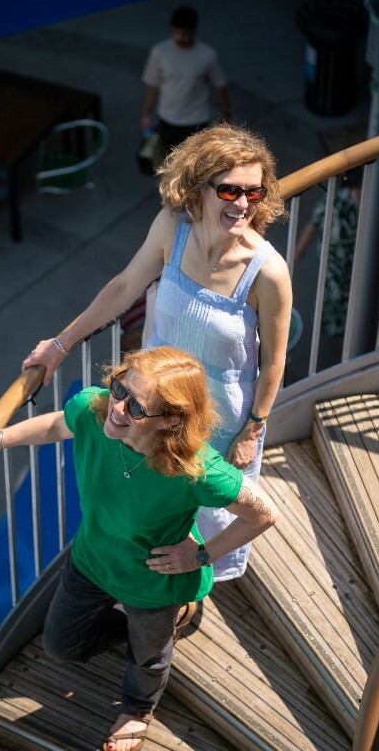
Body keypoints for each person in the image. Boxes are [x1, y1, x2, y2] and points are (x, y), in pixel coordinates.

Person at [0, 347, 276, 751]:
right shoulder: (94, 409)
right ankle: (172, 623)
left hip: (152, 583)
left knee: (148, 661)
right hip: (92, 560)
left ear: (171, 420)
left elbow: (264, 515)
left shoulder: (195, 469)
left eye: (137, 407)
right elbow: (56, 425)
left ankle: (139, 707)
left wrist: (199, 556)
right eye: (120, 387)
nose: (118, 408)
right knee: (61, 645)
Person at [22, 123, 292, 582]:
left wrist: (254, 427)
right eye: (229, 191)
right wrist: (60, 345)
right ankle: (138, 582)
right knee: (145, 494)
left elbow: (274, 362)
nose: (243, 203)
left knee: (204, 511)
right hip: (148, 399)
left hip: (218, 416)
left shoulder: (268, 273)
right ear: (200, 187)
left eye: (254, 191)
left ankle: (189, 591)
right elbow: (124, 287)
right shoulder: (173, 228)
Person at [294, 170, 379, 339]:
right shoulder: (335, 202)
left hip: (359, 265)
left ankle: (353, 336)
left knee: (359, 301)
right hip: (333, 265)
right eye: (359, 194)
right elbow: (313, 225)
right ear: (352, 189)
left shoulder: (375, 204)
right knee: (332, 299)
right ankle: (336, 335)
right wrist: (298, 251)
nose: (362, 199)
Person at [141, 6, 231, 154]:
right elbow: (153, 85)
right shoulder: (159, 52)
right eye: (175, 32)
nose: (179, 37)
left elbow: (219, 85)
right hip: (167, 118)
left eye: (184, 34)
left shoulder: (207, 55)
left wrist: (226, 113)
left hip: (196, 121)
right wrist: (146, 113)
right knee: (168, 161)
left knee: (195, 164)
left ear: (193, 31)